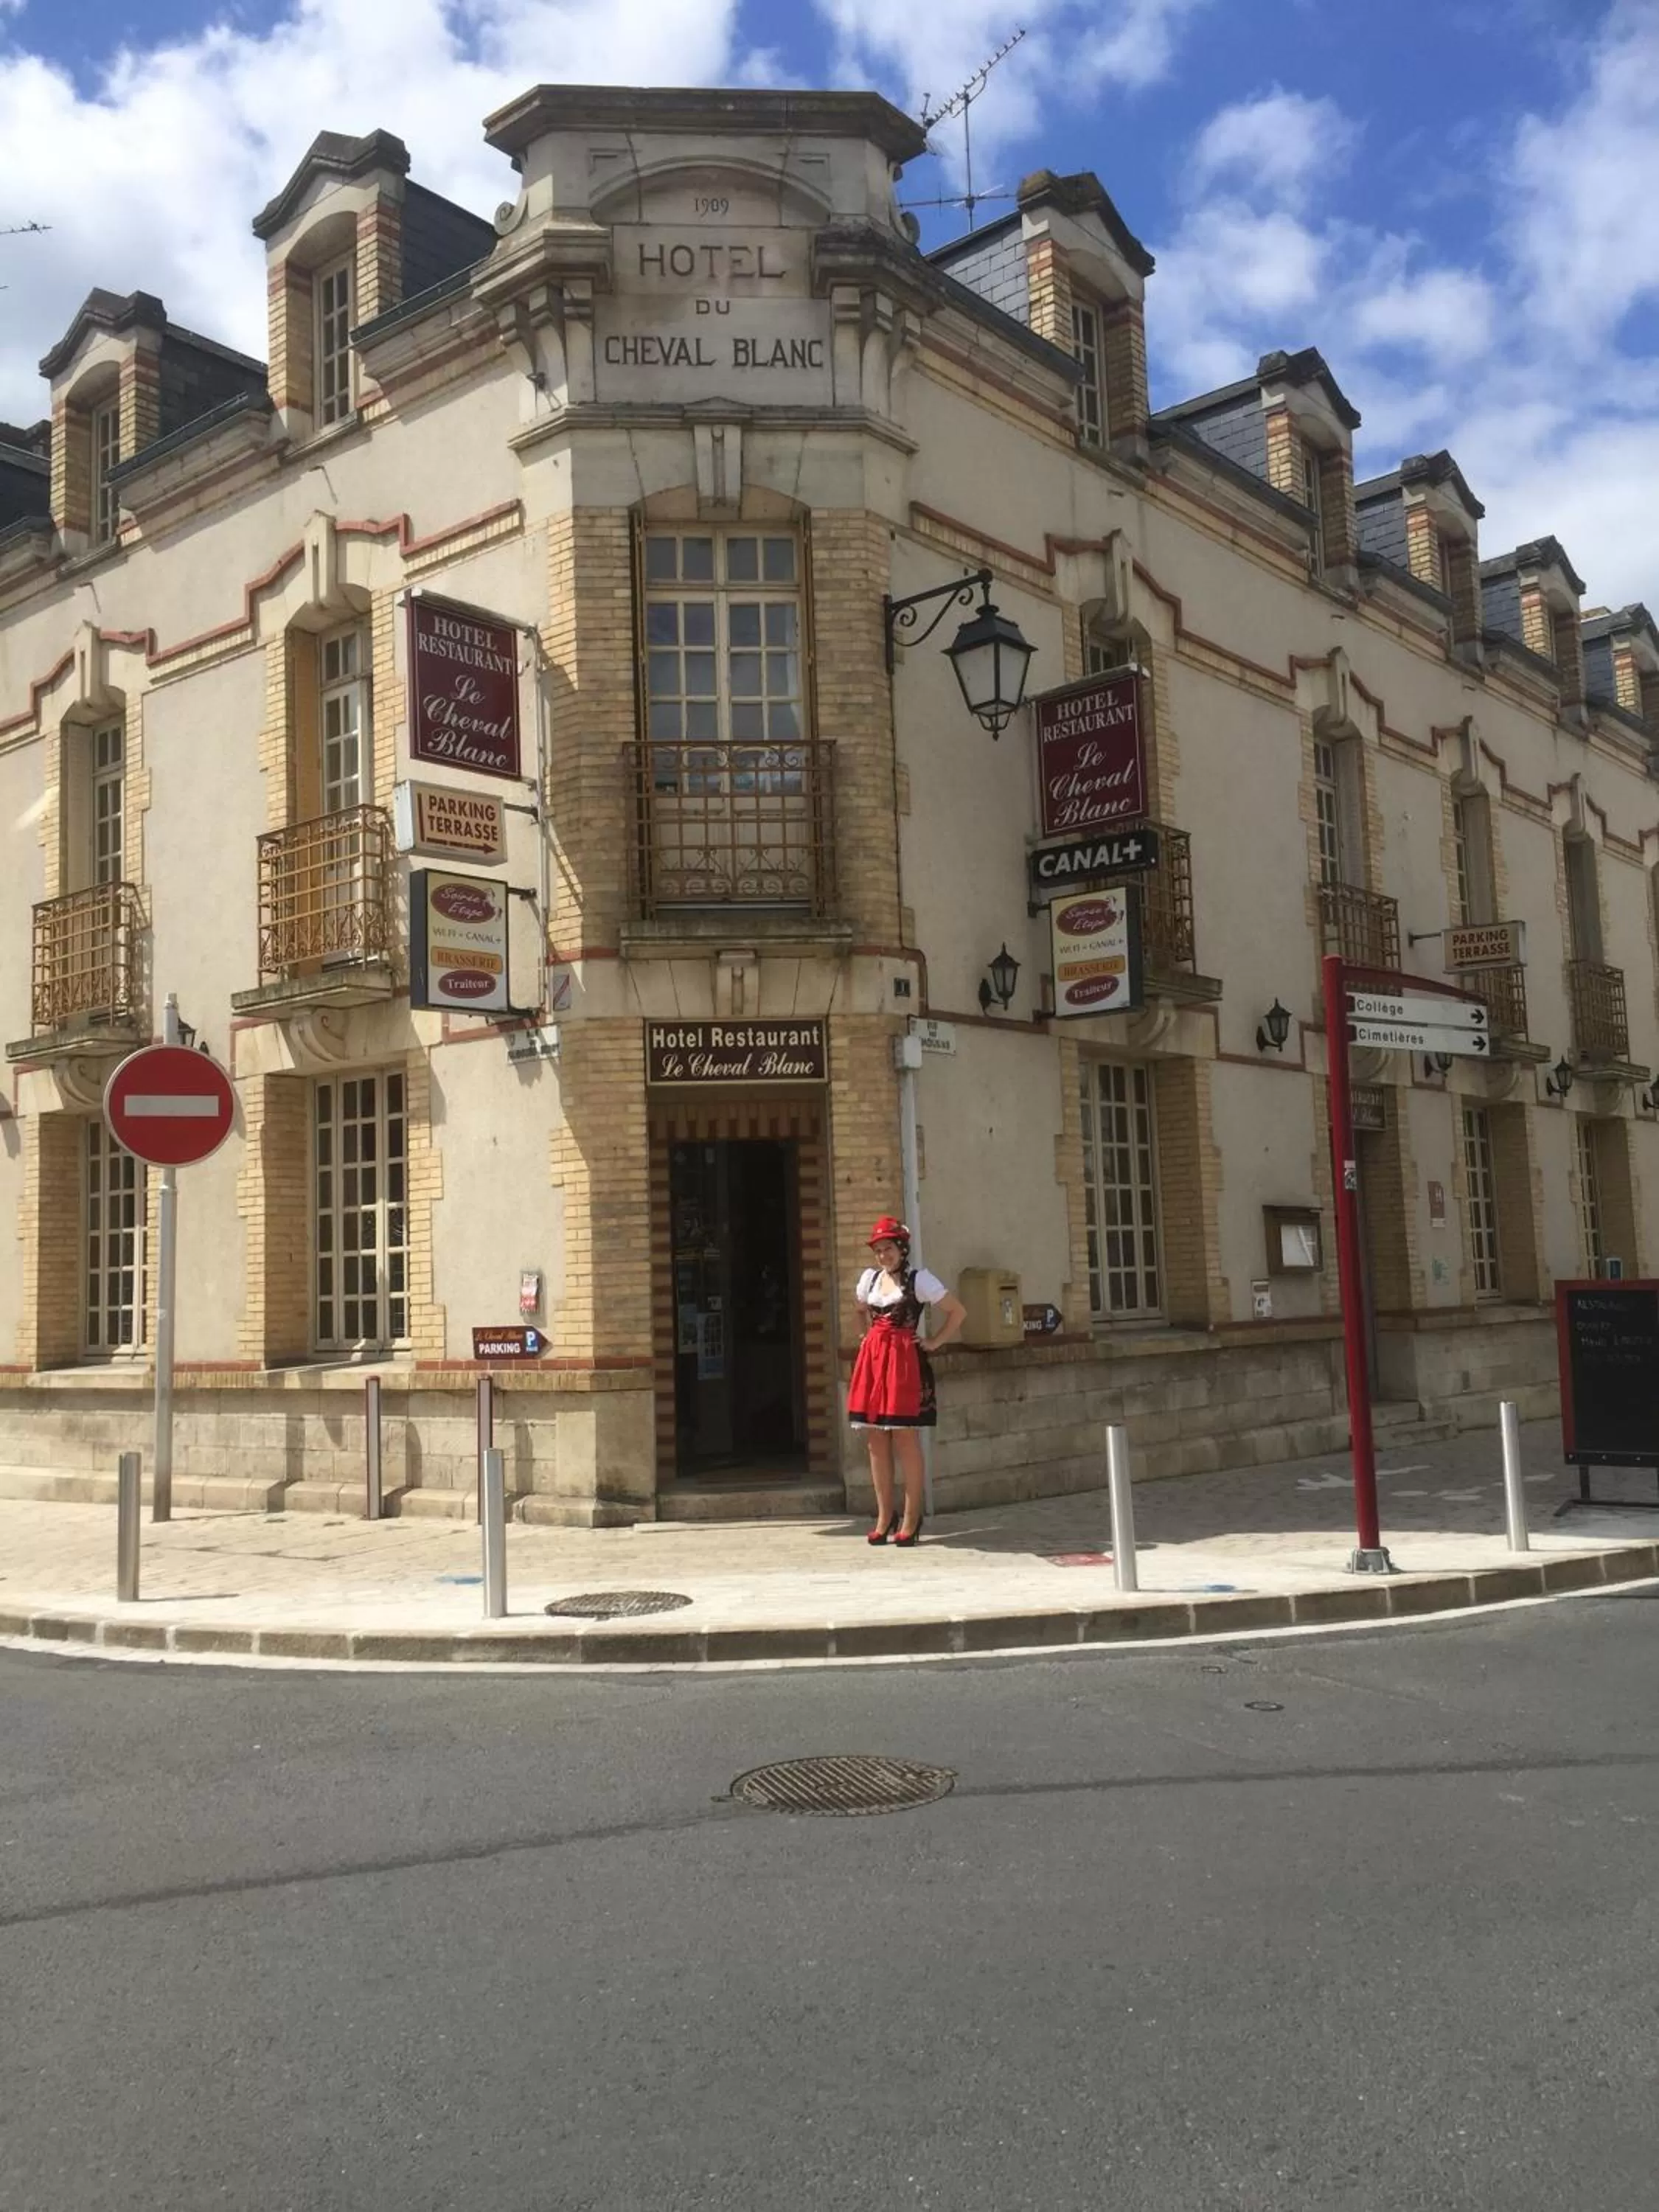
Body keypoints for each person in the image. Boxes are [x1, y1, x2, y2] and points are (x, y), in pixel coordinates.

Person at [846, 1217, 967, 1546]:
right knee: (875, 1440)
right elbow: (859, 1311)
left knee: (904, 1439)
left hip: (902, 1362)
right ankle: (885, 1516)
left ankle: (912, 1518)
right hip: (873, 1361)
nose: (882, 1255)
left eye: (888, 1248)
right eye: (878, 1250)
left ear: (902, 1249)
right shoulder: (870, 1280)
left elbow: (957, 1312)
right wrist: (863, 1336)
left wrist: (933, 1342)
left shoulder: (919, 1280)